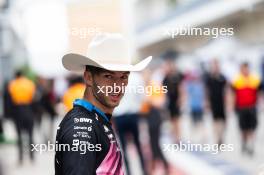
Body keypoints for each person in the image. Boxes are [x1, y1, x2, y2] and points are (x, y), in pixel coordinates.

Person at [55, 33, 152, 175]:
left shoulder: (96, 119)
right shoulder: (82, 128)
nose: (117, 86)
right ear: (88, 77)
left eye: (124, 77)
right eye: (108, 76)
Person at [113, 72, 147, 175]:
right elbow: (142, 96)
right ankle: (144, 170)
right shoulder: (137, 77)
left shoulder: (112, 78)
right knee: (138, 144)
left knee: (123, 147)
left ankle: (129, 172)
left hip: (120, 116)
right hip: (133, 114)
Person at [232, 62, 261, 155]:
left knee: (252, 128)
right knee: (243, 128)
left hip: (252, 107)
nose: (245, 70)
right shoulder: (237, 80)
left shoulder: (254, 80)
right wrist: (232, 105)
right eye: (243, 68)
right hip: (241, 108)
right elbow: (233, 94)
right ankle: (244, 142)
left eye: (246, 68)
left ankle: (250, 145)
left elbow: (259, 92)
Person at [8, 70, 36, 164]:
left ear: (16, 76)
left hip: (17, 111)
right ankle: (32, 156)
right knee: (31, 135)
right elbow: (34, 99)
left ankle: (20, 157)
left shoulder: (13, 84)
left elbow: (9, 99)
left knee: (19, 136)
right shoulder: (30, 84)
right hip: (29, 110)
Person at [205, 60, 227, 146]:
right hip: (213, 101)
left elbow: (227, 90)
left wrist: (228, 102)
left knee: (223, 121)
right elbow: (206, 91)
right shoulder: (209, 78)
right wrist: (206, 102)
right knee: (215, 121)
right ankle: (217, 138)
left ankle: (220, 136)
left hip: (221, 101)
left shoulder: (222, 77)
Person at [162, 54, 183, 142]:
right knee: (171, 120)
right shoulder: (164, 79)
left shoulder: (176, 77)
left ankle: (178, 137)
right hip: (169, 101)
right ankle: (174, 136)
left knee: (176, 120)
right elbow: (163, 91)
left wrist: (181, 99)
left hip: (175, 100)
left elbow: (180, 88)